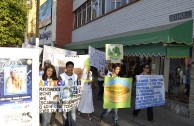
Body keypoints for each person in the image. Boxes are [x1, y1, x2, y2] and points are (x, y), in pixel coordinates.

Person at [59, 61, 78, 126]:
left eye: (72, 67)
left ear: (73, 68)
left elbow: (77, 87)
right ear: (66, 67)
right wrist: (61, 99)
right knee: (65, 115)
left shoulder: (75, 76)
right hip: (64, 99)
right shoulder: (61, 76)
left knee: (73, 115)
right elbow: (59, 88)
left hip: (73, 99)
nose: (70, 68)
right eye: (69, 67)